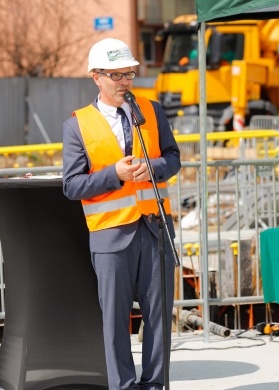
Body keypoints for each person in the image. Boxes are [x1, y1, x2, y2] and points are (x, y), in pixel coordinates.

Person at [62, 38, 181, 390]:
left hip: (156, 230)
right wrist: (116, 174)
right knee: (115, 322)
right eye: (116, 75)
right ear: (95, 77)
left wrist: (153, 167)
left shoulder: (152, 110)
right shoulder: (77, 125)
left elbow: (173, 158)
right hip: (111, 236)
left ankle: (155, 386)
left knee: (159, 319)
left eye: (128, 73)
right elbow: (71, 185)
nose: (124, 81)